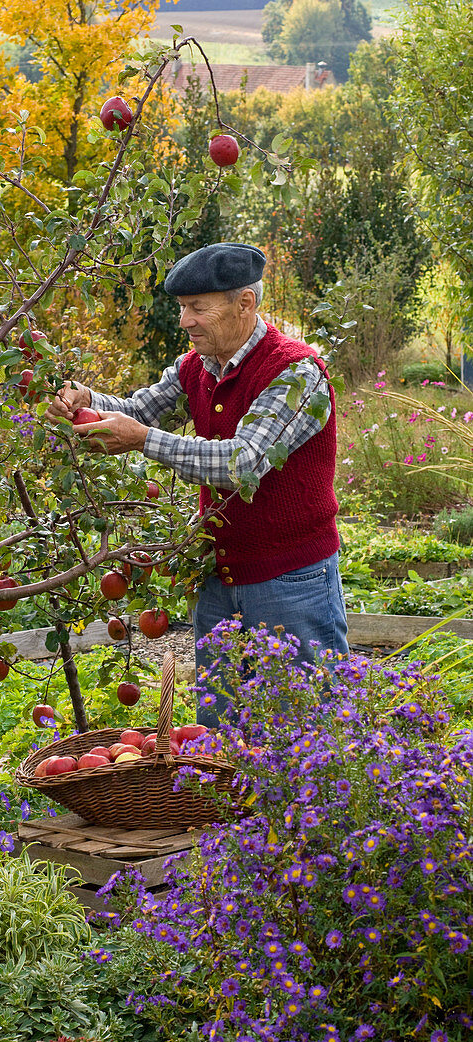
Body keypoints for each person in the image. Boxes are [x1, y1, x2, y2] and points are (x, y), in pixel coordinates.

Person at [46, 242, 348, 725]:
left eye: (197, 308)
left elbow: (244, 463)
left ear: (244, 303)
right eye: (183, 308)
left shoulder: (295, 373)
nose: (184, 321)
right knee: (221, 729)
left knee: (307, 726)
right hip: (220, 575)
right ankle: (230, 804)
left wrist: (143, 440)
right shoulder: (198, 366)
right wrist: (85, 400)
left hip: (290, 580)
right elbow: (140, 410)